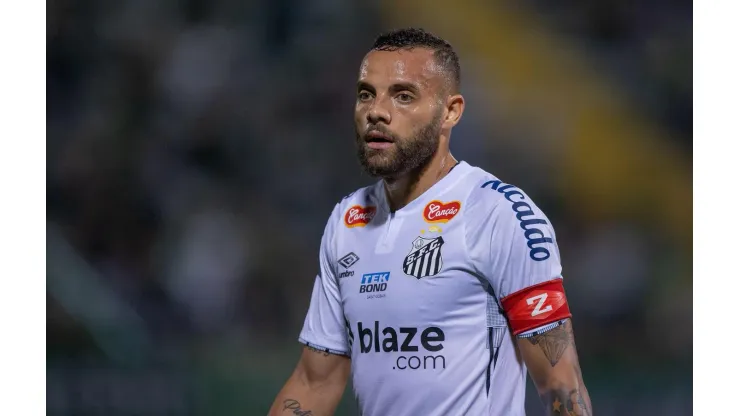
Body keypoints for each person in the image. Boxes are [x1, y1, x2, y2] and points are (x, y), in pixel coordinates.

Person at [268, 28, 592, 416]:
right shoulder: (346, 222)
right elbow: (315, 382)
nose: (377, 111)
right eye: (366, 93)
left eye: (403, 96)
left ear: (450, 111)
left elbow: (561, 384)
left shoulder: (496, 213)